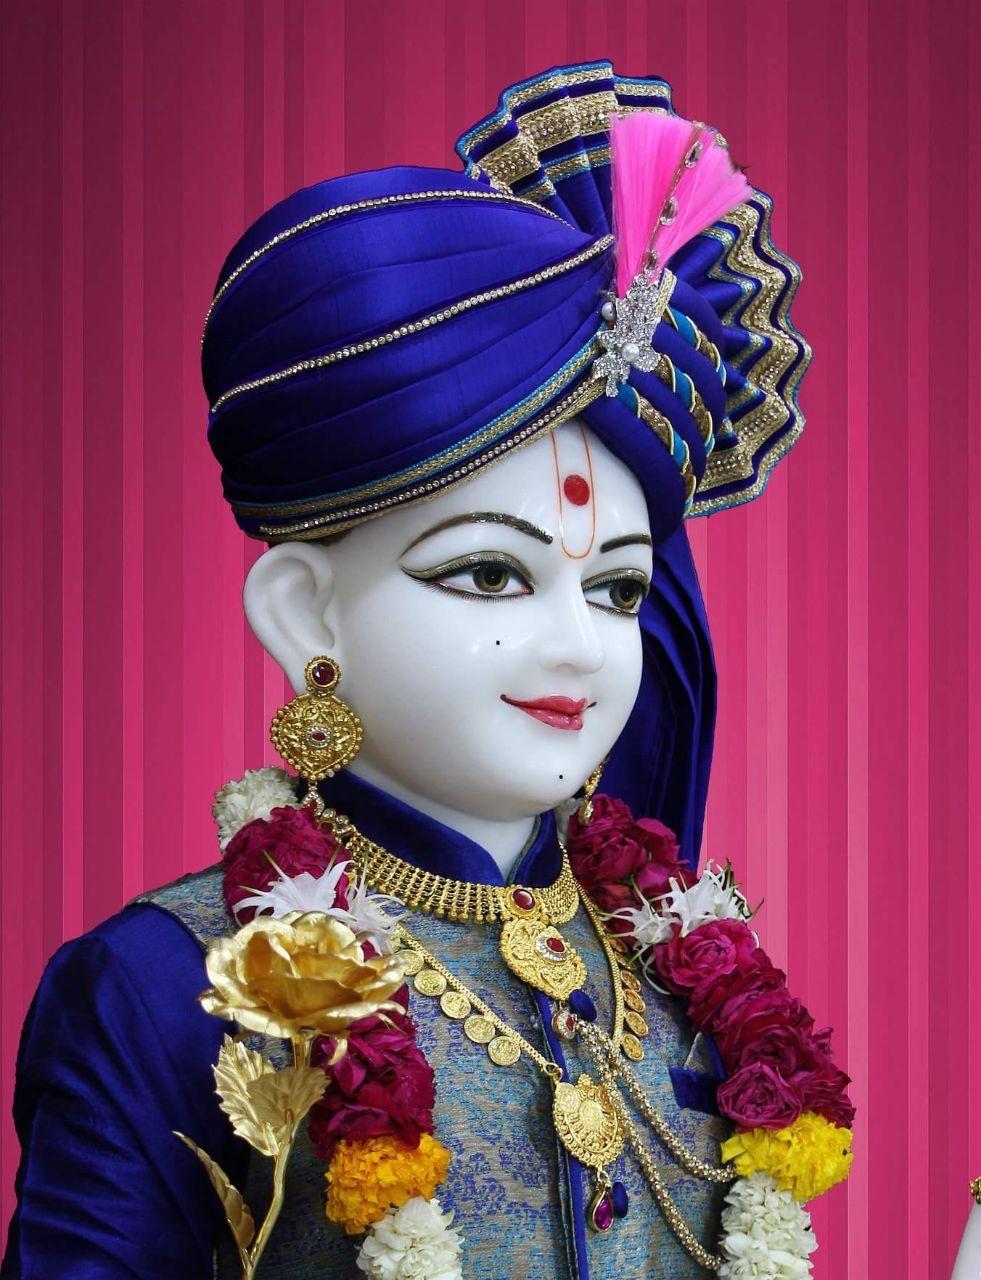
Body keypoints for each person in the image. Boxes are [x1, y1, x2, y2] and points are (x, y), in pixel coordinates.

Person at [2, 61, 836, 1280]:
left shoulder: (684, 982)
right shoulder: (165, 984)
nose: (574, 644)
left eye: (615, 590)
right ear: (303, 613)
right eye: (492, 576)